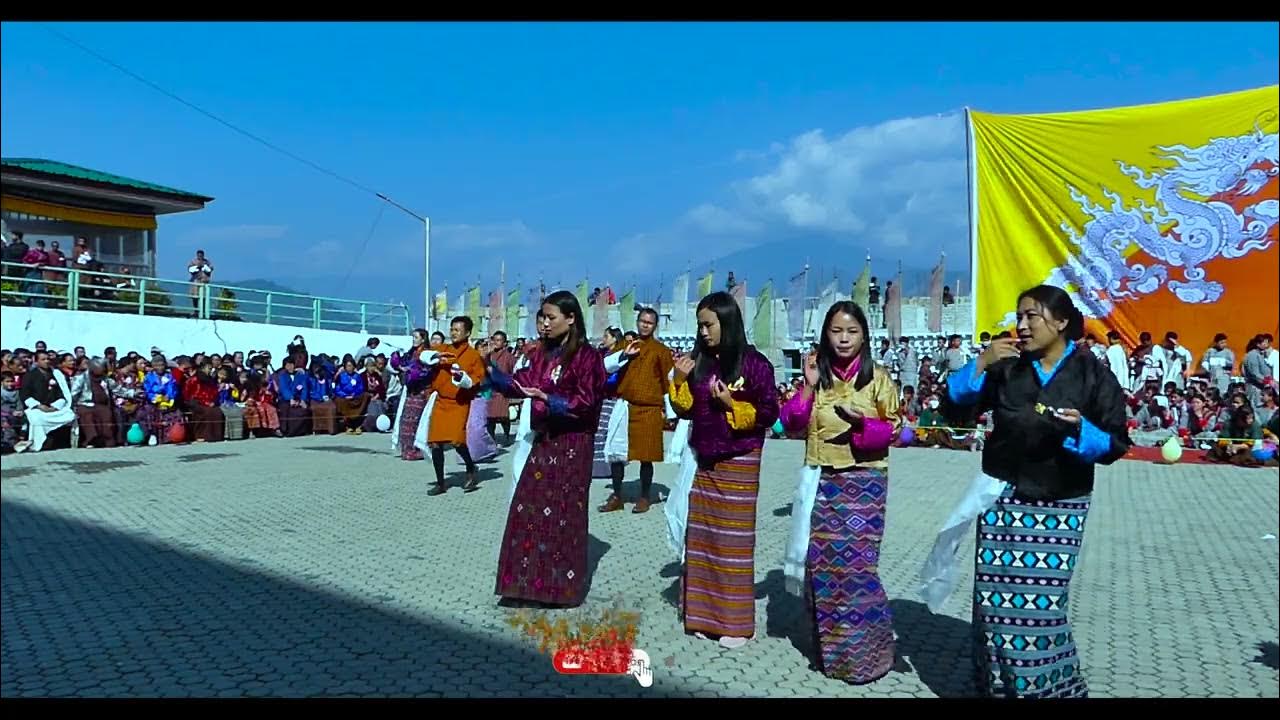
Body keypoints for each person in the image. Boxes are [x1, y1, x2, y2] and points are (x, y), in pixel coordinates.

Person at [929, 284, 1128, 698]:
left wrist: (1080, 430)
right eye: (1018, 317)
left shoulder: (1093, 373)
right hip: (1002, 500)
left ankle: (1050, 689)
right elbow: (953, 408)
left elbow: (1115, 442)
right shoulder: (1007, 366)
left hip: (1061, 505)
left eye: (1031, 317)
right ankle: (997, 688)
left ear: (1061, 322)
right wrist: (982, 361)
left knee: (1041, 611)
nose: (1020, 327)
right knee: (995, 602)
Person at [778, 300, 899, 682]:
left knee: (857, 571)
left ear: (864, 335)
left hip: (864, 482)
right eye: (836, 331)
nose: (844, 339)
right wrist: (809, 387)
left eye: (852, 331)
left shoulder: (877, 379)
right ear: (825, 335)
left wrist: (864, 424)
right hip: (822, 481)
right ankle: (832, 656)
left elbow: (896, 429)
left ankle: (869, 657)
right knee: (824, 570)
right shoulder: (818, 377)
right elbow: (790, 422)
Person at [666, 291, 779, 649]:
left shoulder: (755, 364)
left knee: (733, 544)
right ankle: (701, 616)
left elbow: (768, 413)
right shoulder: (699, 362)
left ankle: (735, 623)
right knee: (702, 541)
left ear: (727, 323)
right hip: (706, 462)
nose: (702, 332)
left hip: (740, 460)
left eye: (708, 324)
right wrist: (678, 381)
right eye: (699, 325)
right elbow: (685, 410)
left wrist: (732, 404)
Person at [491, 290, 605, 608]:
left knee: (564, 516)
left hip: (573, 444)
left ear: (571, 318)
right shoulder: (542, 354)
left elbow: (587, 401)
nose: (544, 323)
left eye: (550, 317)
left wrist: (550, 400)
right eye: (542, 316)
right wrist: (487, 374)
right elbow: (523, 381)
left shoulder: (587, 358)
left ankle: (559, 591)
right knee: (528, 510)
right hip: (545, 442)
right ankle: (523, 586)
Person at [600, 307, 675, 514]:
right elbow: (605, 367)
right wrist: (624, 354)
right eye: (642, 321)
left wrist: (671, 414)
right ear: (637, 321)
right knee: (616, 455)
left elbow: (669, 382)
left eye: (649, 323)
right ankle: (617, 496)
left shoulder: (661, 351)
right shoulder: (625, 345)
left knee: (646, 456)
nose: (645, 325)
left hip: (649, 409)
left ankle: (644, 497)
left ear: (655, 325)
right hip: (625, 406)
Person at [422, 316, 487, 495]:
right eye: (452, 329)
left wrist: (465, 380)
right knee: (435, 442)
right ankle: (441, 482)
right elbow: (424, 355)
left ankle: (471, 468)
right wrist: (436, 356)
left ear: (467, 333)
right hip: (441, 402)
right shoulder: (444, 349)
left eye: (457, 330)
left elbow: (478, 379)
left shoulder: (473, 356)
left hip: (459, 402)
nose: (453, 333)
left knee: (457, 440)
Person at [390, 329, 437, 461]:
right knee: (405, 419)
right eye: (413, 337)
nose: (414, 339)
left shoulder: (427, 354)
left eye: (416, 337)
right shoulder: (411, 353)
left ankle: (416, 448)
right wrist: (398, 363)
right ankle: (407, 449)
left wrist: (412, 371)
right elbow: (401, 364)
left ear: (423, 339)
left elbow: (427, 371)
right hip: (410, 391)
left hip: (422, 392)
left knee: (416, 421)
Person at [18, 350, 76, 452]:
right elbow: (25, 395)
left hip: (53, 407)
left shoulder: (56, 374)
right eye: (43, 359)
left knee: (70, 415)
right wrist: (39, 406)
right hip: (37, 408)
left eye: (48, 359)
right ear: (36, 361)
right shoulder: (30, 375)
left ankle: (65, 442)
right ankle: (40, 443)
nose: (46, 361)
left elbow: (61, 394)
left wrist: (55, 406)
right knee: (36, 418)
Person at [70, 357, 125, 448]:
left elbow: (118, 389)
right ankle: (91, 440)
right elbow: (74, 394)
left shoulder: (105, 379)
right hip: (85, 404)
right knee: (87, 414)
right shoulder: (81, 378)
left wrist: (133, 393)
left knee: (107, 414)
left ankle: (107, 440)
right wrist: (72, 406)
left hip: (102, 404)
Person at [138, 355, 185, 445]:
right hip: (154, 401)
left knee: (177, 413)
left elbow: (173, 388)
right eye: (157, 365)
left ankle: (171, 436)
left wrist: (168, 397)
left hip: (167, 401)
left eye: (162, 365)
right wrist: (157, 398)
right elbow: (148, 390)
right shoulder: (149, 377)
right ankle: (152, 434)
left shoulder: (169, 376)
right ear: (153, 366)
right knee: (147, 411)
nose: (160, 367)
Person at [485, 331, 518, 444]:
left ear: (504, 343)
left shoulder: (509, 357)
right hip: (490, 389)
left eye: (499, 340)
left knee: (503, 416)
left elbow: (514, 371)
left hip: (503, 390)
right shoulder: (489, 355)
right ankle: (492, 439)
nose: (496, 342)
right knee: (490, 417)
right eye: (495, 340)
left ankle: (507, 435)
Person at [184, 359, 225, 443]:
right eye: (209, 368)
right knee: (206, 411)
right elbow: (187, 394)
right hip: (195, 402)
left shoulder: (211, 380)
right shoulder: (194, 379)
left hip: (209, 402)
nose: (210, 370)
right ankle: (201, 435)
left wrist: (213, 401)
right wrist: (205, 402)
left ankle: (216, 436)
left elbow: (215, 392)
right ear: (203, 368)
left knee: (217, 411)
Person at [275, 356, 311, 437]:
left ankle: (300, 431)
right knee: (286, 409)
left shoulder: (300, 376)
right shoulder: (282, 376)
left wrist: (303, 400)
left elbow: (304, 388)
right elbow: (284, 389)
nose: (290, 367)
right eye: (288, 365)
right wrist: (290, 398)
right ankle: (286, 431)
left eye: (291, 364)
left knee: (303, 409)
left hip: (298, 398)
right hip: (285, 399)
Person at [334, 356, 369, 434]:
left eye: (351, 366)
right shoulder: (341, 376)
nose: (349, 368)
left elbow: (361, 387)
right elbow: (338, 389)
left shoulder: (357, 376)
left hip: (355, 396)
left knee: (365, 395)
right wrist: (345, 395)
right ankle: (348, 426)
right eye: (347, 366)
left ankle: (358, 425)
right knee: (340, 401)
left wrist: (354, 394)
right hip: (345, 397)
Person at [1242, 334, 1274, 409]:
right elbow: (1255, 373)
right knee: (1256, 408)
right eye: (1264, 343)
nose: (1266, 345)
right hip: (1255, 388)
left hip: (1262, 387)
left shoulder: (1261, 354)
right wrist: (1267, 381)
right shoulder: (1253, 355)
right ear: (1258, 344)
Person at [307, 361, 337, 435]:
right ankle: (317, 429)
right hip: (315, 399)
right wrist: (319, 398)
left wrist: (330, 396)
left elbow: (331, 391)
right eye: (314, 369)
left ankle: (331, 429)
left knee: (332, 407)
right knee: (315, 408)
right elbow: (310, 392)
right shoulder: (310, 379)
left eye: (318, 369)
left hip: (326, 399)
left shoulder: (327, 379)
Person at [1200, 333, 1235, 397]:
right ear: (1216, 343)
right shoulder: (1210, 351)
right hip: (1212, 376)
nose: (1224, 344)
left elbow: (1231, 363)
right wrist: (1208, 368)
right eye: (1221, 343)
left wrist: (1221, 361)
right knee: (1213, 394)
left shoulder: (1228, 352)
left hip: (1223, 377)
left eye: (1225, 342)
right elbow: (1204, 362)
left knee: (1223, 393)